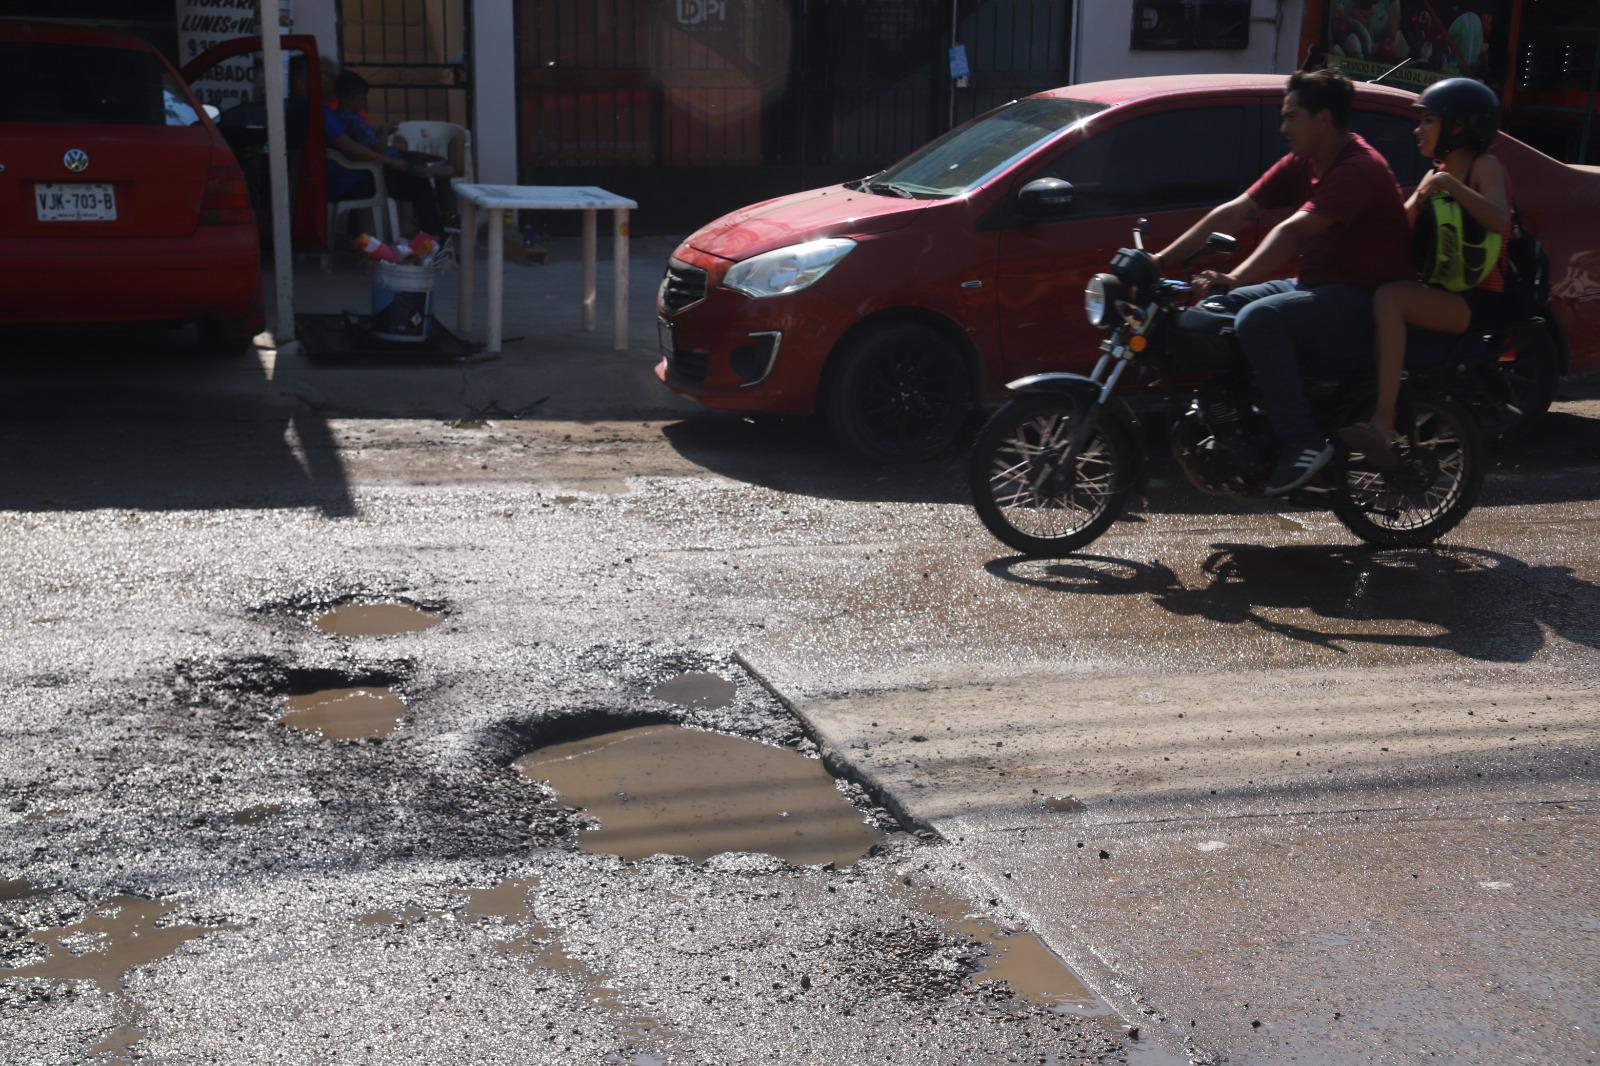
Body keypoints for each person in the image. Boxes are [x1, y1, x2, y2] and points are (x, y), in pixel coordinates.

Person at [1153, 68, 1412, 495]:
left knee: (1259, 319)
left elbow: (1292, 232)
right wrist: (1160, 261)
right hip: (1313, 288)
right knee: (1210, 314)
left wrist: (1233, 277)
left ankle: (1303, 442)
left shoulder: (1357, 169)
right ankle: (1241, 423)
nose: (1282, 127)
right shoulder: (1306, 160)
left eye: (1291, 117)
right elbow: (1238, 210)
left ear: (1323, 119)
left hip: (1358, 303)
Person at [1338, 78, 1510, 466]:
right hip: (1441, 290)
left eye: (1428, 121)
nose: (1418, 130)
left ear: (1458, 127)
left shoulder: (1483, 166)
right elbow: (1399, 227)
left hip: (1476, 300)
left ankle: (1382, 422)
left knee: (1390, 299)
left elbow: (1500, 220)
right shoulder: (1436, 174)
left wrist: (1450, 184)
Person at [323, 70, 448, 236]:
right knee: (421, 183)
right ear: (350, 97)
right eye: (361, 97)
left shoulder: (337, 117)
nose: (364, 101)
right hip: (363, 177)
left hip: (358, 175)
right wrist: (384, 132)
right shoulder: (350, 120)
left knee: (421, 171)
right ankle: (435, 237)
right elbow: (376, 149)